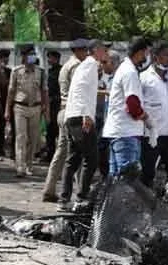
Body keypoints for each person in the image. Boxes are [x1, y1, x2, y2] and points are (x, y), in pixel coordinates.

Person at [59, 40, 107, 212]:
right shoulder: (91, 65)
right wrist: (87, 114)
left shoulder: (84, 65)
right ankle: (82, 197)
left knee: (73, 159)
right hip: (81, 117)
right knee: (91, 159)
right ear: (95, 51)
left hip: (72, 115)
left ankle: (64, 199)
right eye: (104, 49)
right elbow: (82, 89)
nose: (106, 53)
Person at [42, 38, 88, 202]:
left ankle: (50, 188)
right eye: (85, 50)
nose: (87, 53)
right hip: (73, 113)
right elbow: (80, 91)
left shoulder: (67, 65)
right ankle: (80, 193)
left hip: (64, 111)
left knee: (61, 153)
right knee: (78, 153)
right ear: (78, 51)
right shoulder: (77, 67)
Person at [101, 36, 150, 177]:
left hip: (119, 132)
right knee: (128, 181)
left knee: (115, 179)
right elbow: (133, 105)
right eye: (146, 54)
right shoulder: (130, 72)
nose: (146, 58)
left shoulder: (124, 68)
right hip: (126, 134)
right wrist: (147, 119)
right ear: (140, 53)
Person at [139, 40, 168, 193]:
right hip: (152, 134)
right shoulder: (144, 77)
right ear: (155, 57)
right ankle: (145, 199)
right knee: (148, 170)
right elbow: (138, 106)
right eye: (166, 55)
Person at [5, 44, 47, 178]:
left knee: (33, 138)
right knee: (21, 137)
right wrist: (7, 110)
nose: (32, 57)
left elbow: (44, 90)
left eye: (33, 55)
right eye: (29, 55)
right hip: (20, 107)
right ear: (23, 57)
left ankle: (29, 164)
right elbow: (11, 91)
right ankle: (20, 167)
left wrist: (45, 108)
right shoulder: (16, 71)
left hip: (36, 107)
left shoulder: (40, 72)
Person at [95, 52, 117, 179]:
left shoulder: (118, 77)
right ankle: (105, 177)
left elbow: (111, 93)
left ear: (113, 63)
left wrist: (95, 90)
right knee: (101, 148)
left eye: (105, 63)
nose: (102, 66)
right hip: (103, 119)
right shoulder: (105, 78)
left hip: (113, 122)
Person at [44, 49, 62, 159]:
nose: (49, 60)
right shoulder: (50, 71)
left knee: (56, 129)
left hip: (57, 103)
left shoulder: (61, 71)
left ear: (56, 59)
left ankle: (57, 154)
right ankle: (50, 153)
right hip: (50, 103)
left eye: (51, 58)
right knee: (49, 129)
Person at [0, 49, 12, 158]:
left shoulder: (9, 71)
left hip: (5, 101)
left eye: (6, 57)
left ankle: (1, 148)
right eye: (3, 57)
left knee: (2, 126)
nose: (5, 59)